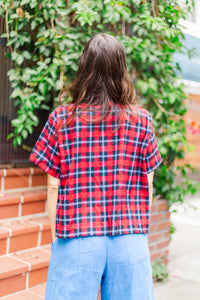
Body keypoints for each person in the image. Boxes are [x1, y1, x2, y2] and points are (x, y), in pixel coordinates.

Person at [29, 33, 162, 300]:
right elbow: (147, 183)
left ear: (84, 67)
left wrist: (57, 235)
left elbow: (54, 185)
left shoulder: (61, 119)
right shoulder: (142, 120)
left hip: (77, 234)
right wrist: (137, 233)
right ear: (121, 68)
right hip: (129, 236)